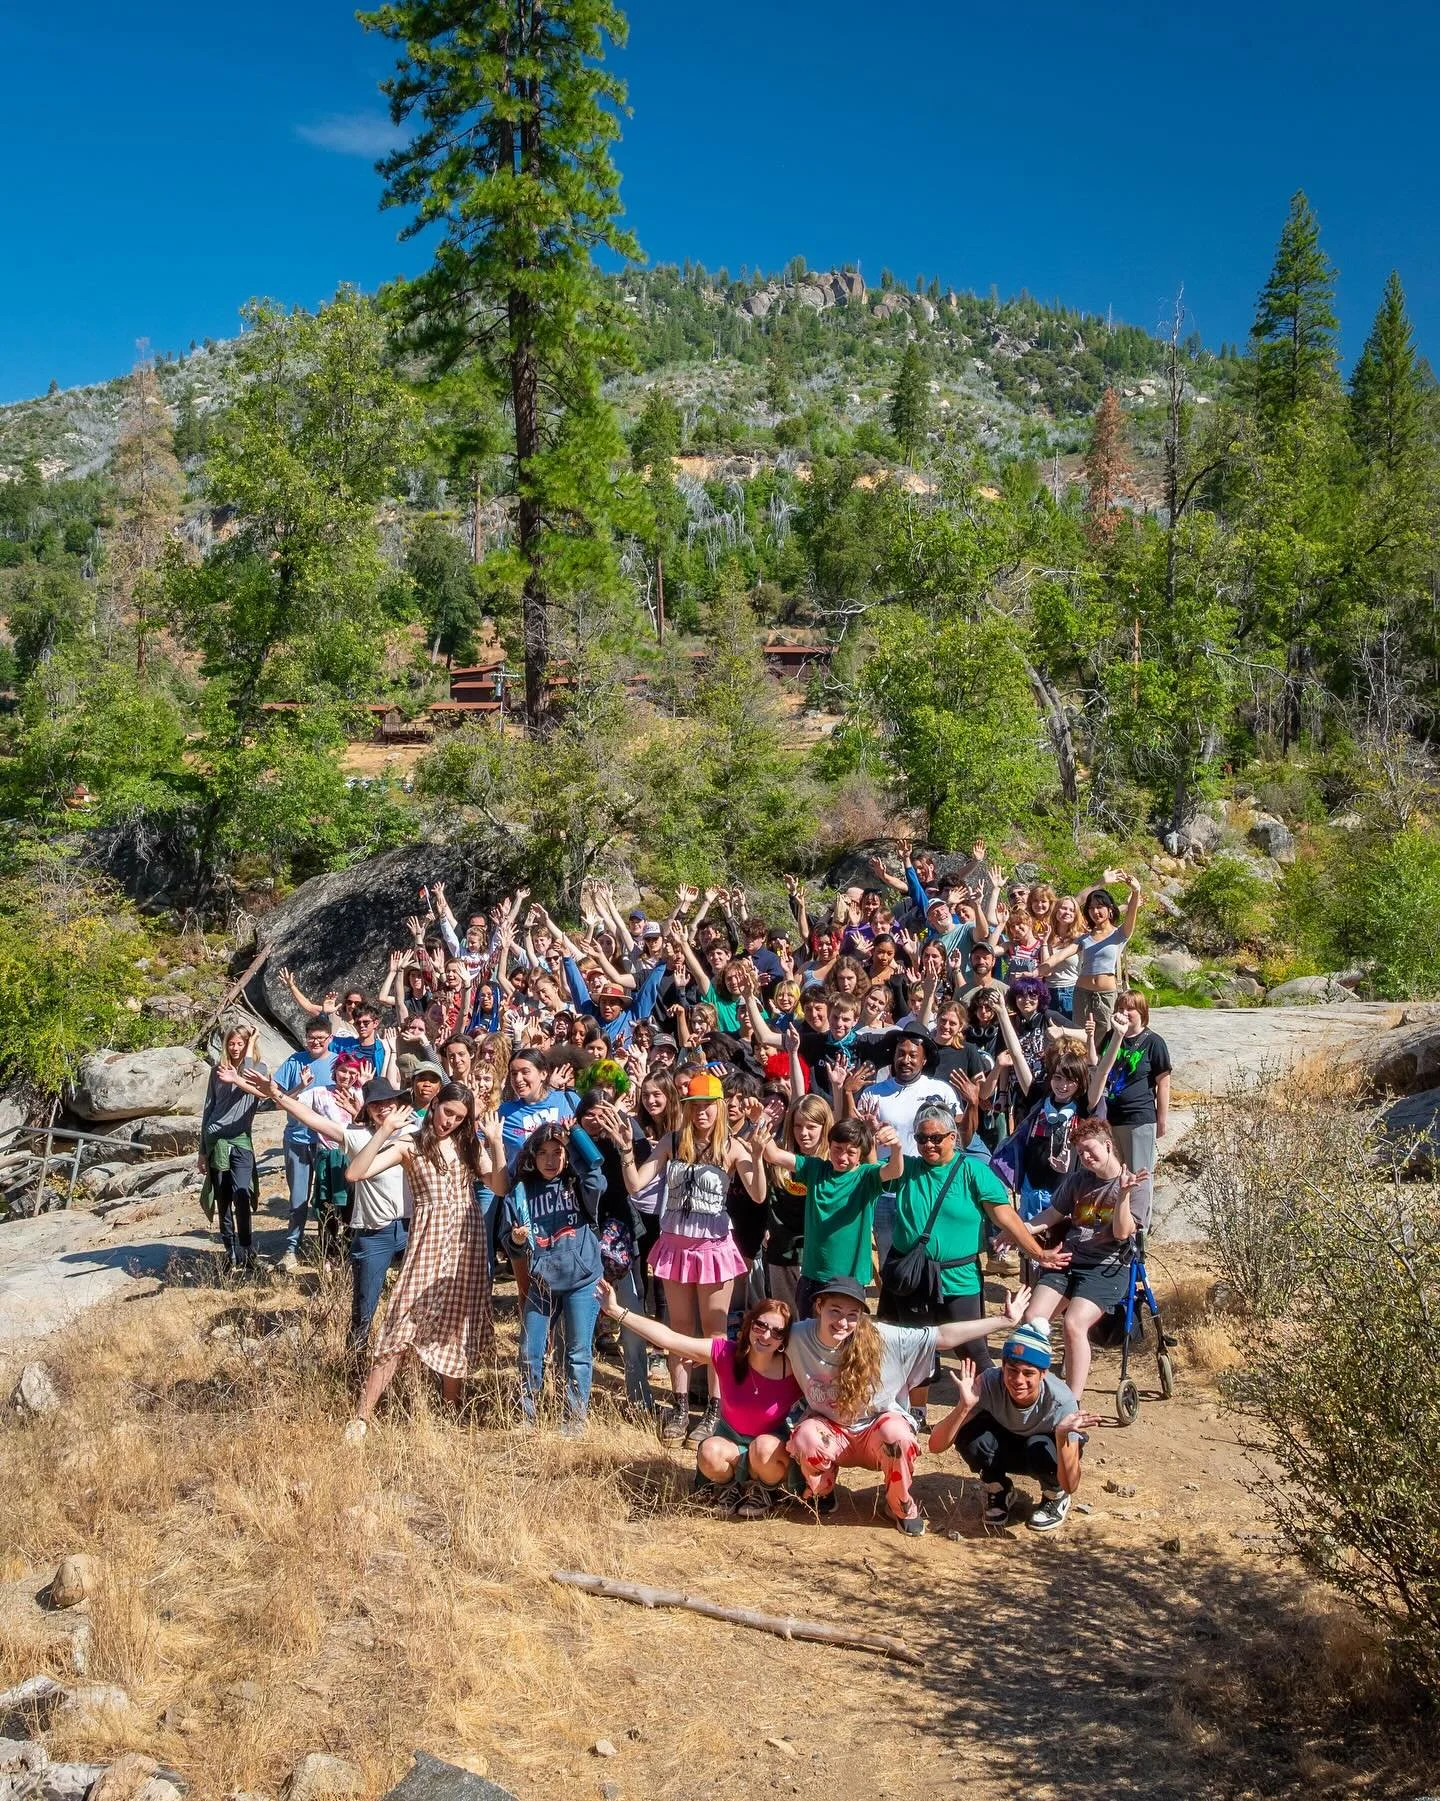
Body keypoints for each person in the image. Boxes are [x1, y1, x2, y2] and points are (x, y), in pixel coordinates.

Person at [786, 1275, 1031, 1535]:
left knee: (898, 1436)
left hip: (876, 1431)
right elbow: (762, 1339)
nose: (843, 1322)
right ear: (819, 1306)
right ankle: (823, 1492)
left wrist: (1004, 1320)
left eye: (852, 1314)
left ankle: (899, 1506)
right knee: (806, 1436)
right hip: (832, 1431)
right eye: (834, 1311)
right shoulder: (799, 1336)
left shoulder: (881, 1337)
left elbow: (942, 1336)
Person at [603, 1070, 766, 1446]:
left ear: (721, 1107)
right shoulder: (673, 1141)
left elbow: (757, 1195)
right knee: (677, 1330)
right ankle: (678, 1406)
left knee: (714, 1332)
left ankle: (714, 1409)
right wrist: (627, 1149)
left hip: (713, 1248)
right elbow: (636, 1184)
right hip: (675, 1245)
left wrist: (757, 1157)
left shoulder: (733, 1146)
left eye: (709, 1105)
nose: (702, 1112)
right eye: (695, 1105)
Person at [342, 1085, 508, 1442]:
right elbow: (355, 1174)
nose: (450, 1121)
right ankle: (361, 1417)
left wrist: (495, 1142)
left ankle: (451, 1411)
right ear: (433, 1106)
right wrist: (386, 1129)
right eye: (447, 1112)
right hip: (428, 1240)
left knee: (457, 1327)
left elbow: (499, 1186)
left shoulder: (468, 1146)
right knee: (401, 1324)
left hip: (468, 1242)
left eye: (459, 1118)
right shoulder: (410, 1145)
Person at [879, 1093, 1066, 1405]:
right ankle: (918, 1413)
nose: (928, 1145)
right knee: (912, 1349)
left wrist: (1037, 1253)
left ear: (953, 1137)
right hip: (912, 1276)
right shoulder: (906, 1168)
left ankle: (1001, 1408)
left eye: (936, 1138)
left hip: (958, 1277)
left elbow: (1006, 1217)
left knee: (973, 1350)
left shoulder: (973, 1172)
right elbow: (873, 1173)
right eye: (922, 1138)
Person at [596, 1280, 799, 1518]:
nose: (766, 1335)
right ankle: (729, 1487)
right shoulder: (726, 1353)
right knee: (708, 1451)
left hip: (770, 1451)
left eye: (776, 1332)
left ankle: (766, 1490)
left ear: (784, 1340)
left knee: (763, 1448)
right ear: (749, 1324)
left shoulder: (792, 1369)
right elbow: (669, 1339)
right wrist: (616, 1311)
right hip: (731, 1443)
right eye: (760, 1326)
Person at [1023, 1116, 1151, 1403]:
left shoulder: (1136, 1184)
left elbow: (1121, 1233)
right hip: (1070, 1260)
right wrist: (1019, 1231)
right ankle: (1033, 1388)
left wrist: (1123, 1195)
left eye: (1090, 1150)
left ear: (1108, 1145)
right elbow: (1052, 1215)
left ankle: (1071, 1402)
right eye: (1080, 1152)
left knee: (1074, 1323)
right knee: (1032, 1319)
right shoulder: (1079, 1180)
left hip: (1107, 1267)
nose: (1086, 1157)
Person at [929, 1321, 1100, 1532]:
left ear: (1043, 1374)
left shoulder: (1062, 1401)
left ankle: (1054, 1495)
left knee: (1037, 1447)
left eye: (1028, 1373)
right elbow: (935, 1446)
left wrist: (1062, 1435)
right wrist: (963, 1408)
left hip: (1042, 1449)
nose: (1018, 1380)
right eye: (1012, 1370)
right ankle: (999, 1488)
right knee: (968, 1433)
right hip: (1008, 1442)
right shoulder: (990, 1382)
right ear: (1002, 1367)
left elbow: (1071, 1484)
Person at [504, 1120, 607, 1431]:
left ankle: (573, 1421)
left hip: (582, 1278)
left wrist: (574, 1135)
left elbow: (596, 1175)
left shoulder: (579, 1186)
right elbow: (512, 1241)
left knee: (577, 1352)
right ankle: (527, 1416)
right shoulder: (522, 1192)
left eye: (558, 1153)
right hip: (542, 1282)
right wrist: (518, 1241)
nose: (550, 1160)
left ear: (567, 1155)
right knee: (529, 1351)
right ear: (532, 1157)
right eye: (543, 1153)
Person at [753, 1113, 900, 1319]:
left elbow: (894, 1171)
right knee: (807, 1334)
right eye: (837, 1149)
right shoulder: (815, 1168)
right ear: (829, 1146)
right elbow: (774, 1155)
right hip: (813, 1275)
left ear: (860, 1154)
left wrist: (896, 1147)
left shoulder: (867, 1176)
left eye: (851, 1152)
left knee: (843, 1338)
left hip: (849, 1278)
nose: (842, 1157)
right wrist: (758, 1119)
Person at [842, 1027, 957, 1263]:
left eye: (913, 1055)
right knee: (888, 1257)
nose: (905, 1060)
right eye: (900, 1054)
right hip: (885, 1190)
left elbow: (956, 1136)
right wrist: (849, 1095)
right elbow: (852, 1137)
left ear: (924, 1059)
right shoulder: (873, 1093)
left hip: (924, 1186)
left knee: (926, 1254)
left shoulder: (940, 1090)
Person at [198, 1025, 270, 1273]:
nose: (236, 1048)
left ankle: (247, 1249)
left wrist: (253, 1040)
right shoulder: (217, 1071)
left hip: (240, 1139)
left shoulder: (258, 1069)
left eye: (241, 1043)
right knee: (223, 1198)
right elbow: (209, 1107)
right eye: (232, 1043)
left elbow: (254, 1085)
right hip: (215, 1138)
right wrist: (201, 1152)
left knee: (242, 1193)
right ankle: (230, 1251)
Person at [270, 1018, 337, 1272]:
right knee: (299, 1198)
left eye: (321, 1038)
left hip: (327, 1143)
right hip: (298, 1139)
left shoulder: (337, 1062)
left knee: (326, 1198)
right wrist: (300, 1086)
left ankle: (327, 1249)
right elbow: (278, 1101)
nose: (316, 1042)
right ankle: (291, 1249)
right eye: (312, 1038)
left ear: (330, 1038)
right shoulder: (294, 1062)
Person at [1101, 990, 1172, 1178]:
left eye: (1130, 1009)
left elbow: (1163, 1082)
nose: (1124, 1013)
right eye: (1120, 1008)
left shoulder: (1154, 1042)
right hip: (1110, 1118)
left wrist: (1161, 1120)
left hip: (1138, 1118)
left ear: (1142, 1012)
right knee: (1115, 1179)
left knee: (1138, 1179)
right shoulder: (1111, 1037)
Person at [1073, 871, 1142, 1037]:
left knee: (1105, 1036)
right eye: (1091, 908)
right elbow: (1072, 904)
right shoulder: (1084, 934)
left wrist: (1136, 891)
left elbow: (1131, 914)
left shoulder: (1120, 933)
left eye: (1099, 907)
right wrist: (1100, 881)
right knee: (1079, 1036)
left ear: (1110, 910)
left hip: (1106, 995)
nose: (1095, 911)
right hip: (1081, 992)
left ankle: (1104, 1064)